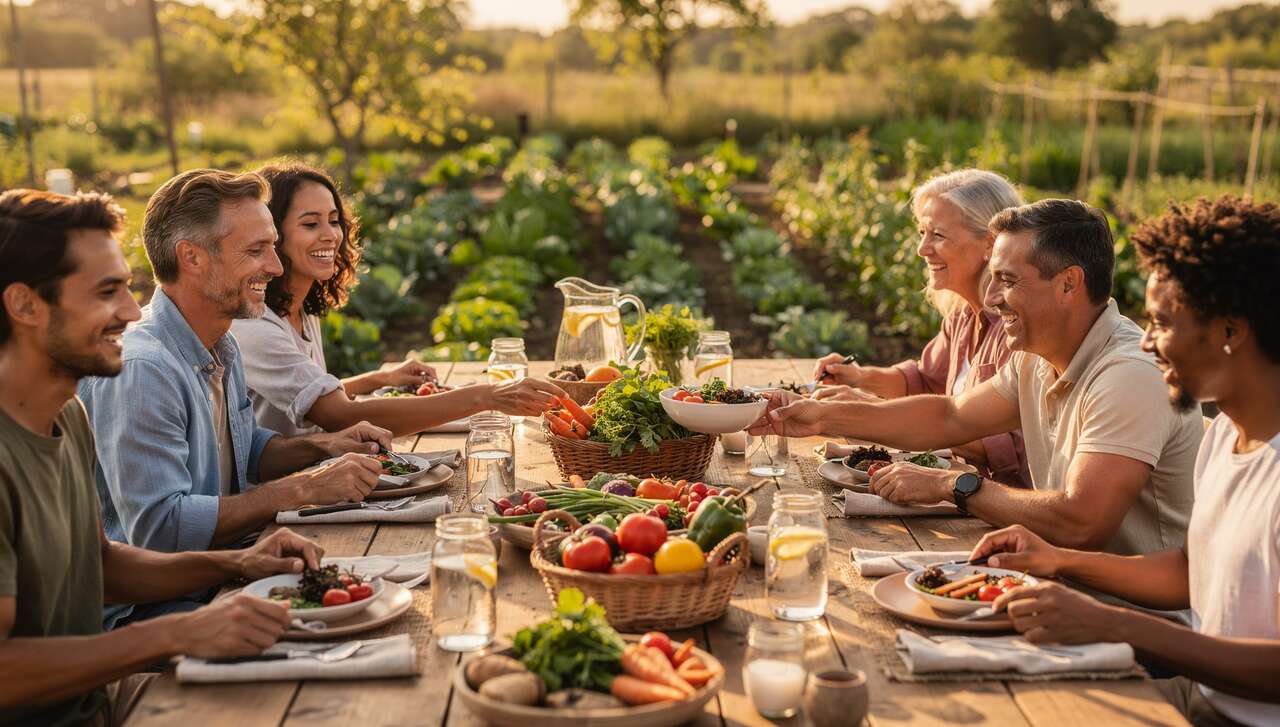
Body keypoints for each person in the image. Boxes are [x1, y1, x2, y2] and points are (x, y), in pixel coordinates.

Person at [0, 189, 323, 726]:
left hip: (96, 698)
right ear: (25, 305)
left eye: (126, 289)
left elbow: (100, 564)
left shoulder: (65, 415)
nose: (131, 311)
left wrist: (239, 563)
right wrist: (174, 633)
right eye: (107, 292)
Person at [968, 196, 1280, 727]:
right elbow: (1191, 569)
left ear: (1230, 331)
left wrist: (1115, 624)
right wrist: (1057, 561)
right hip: (1200, 694)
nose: (1150, 343)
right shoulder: (1227, 433)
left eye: (1163, 323)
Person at [752, 199, 1202, 556]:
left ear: (1068, 284)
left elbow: (1080, 521)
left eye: (1006, 280)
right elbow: (949, 416)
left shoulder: (1127, 375)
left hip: (1136, 638)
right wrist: (820, 416)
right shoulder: (1038, 356)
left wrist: (955, 486)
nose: (990, 298)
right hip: (1063, 592)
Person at [79, 169, 390, 627]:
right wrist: (302, 488)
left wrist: (326, 446)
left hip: (224, 576)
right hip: (153, 613)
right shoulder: (145, 368)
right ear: (193, 258)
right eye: (256, 250)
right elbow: (159, 529)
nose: (277, 266)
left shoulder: (221, 342)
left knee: (380, 584)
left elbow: (244, 451)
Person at [230, 162, 565, 438]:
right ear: (271, 233)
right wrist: (488, 396)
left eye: (333, 220)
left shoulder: (300, 309)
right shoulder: (255, 327)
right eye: (310, 224)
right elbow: (339, 416)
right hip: (281, 499)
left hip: (321, 474)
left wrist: (380, 379)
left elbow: (308, 396)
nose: (330, 235)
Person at [812, 169, 1031, 487]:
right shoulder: (962, 315)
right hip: (951, 489)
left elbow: (1008, 448)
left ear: (990, 244)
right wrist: (861, 378)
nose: (922, 249)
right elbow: (923, 380)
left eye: (938, 235)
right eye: (922, 232)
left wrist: (875, 412)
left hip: (999, 507)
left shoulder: (1016, 327)